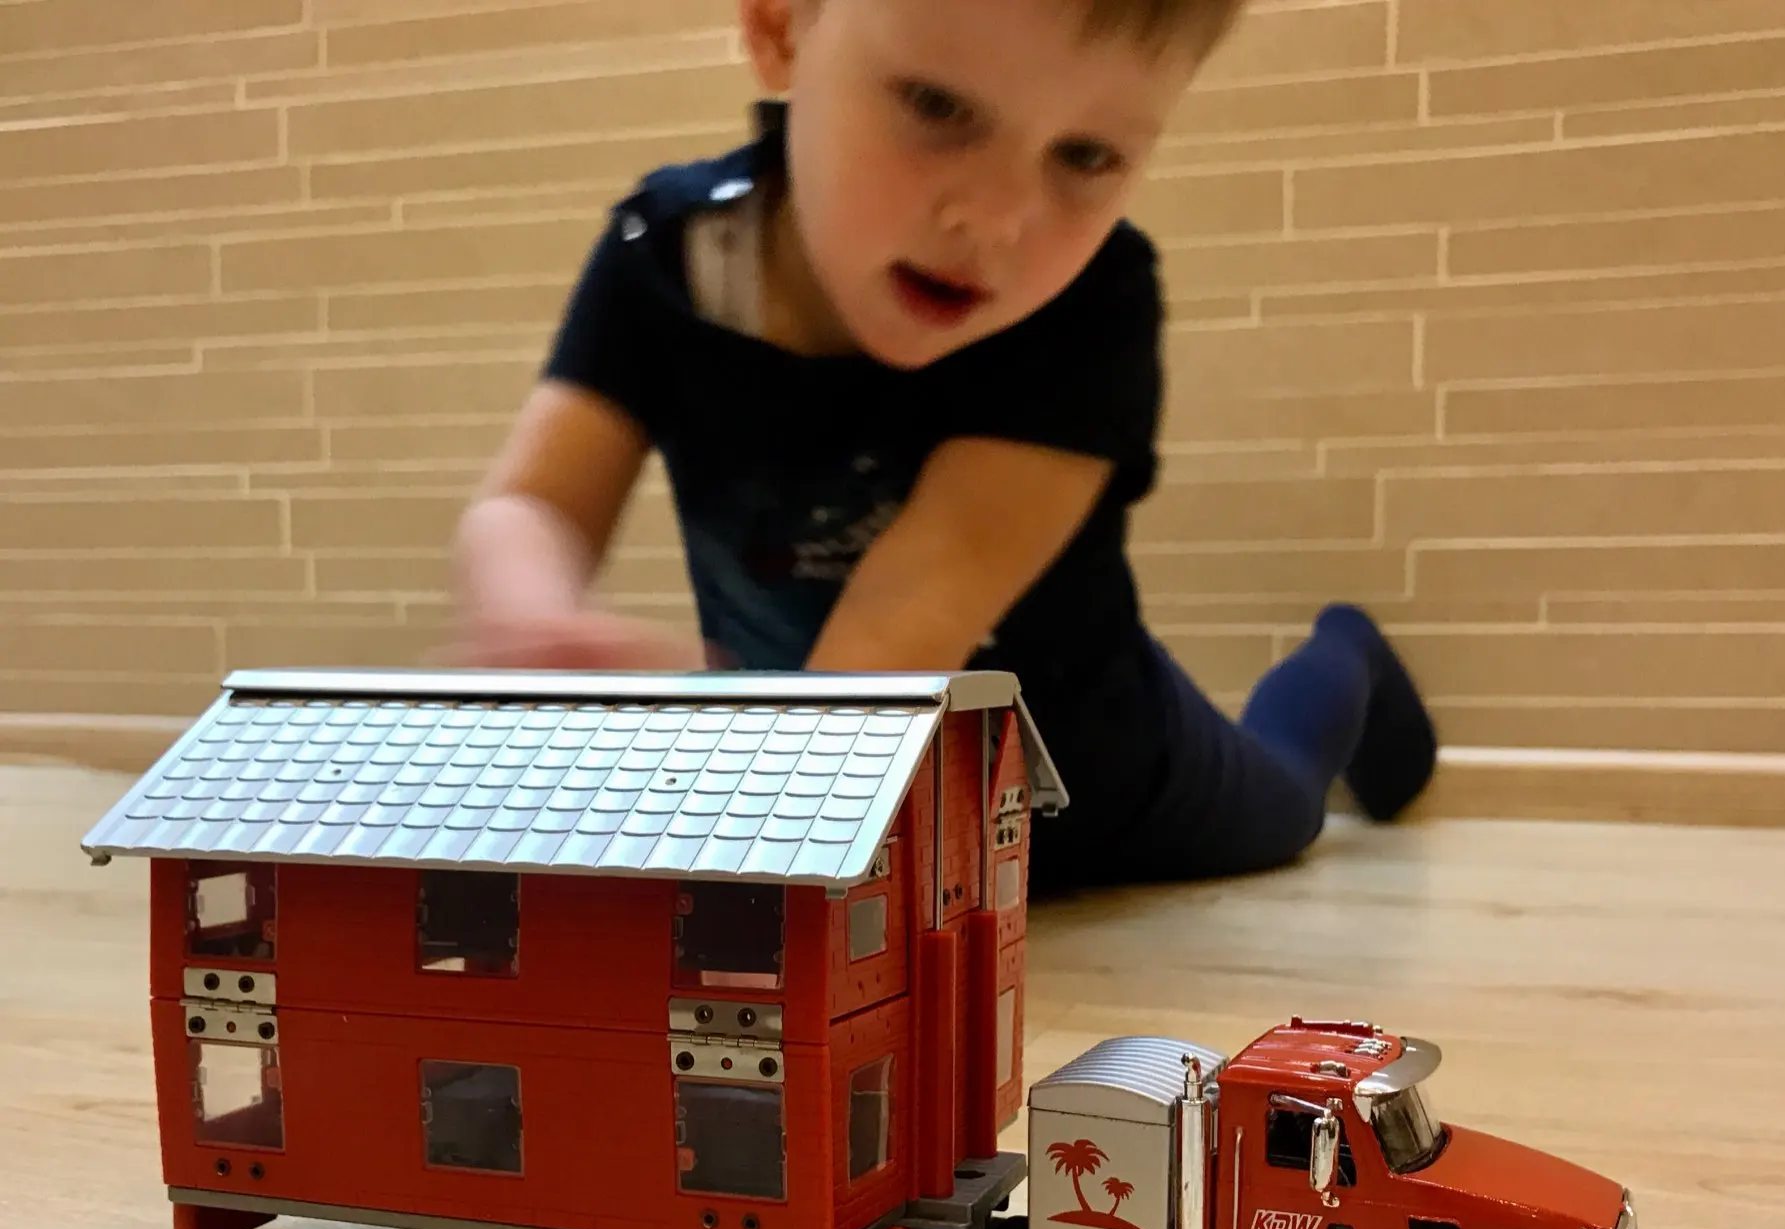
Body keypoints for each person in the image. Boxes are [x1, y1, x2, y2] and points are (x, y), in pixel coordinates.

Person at [445, 0, 1437, 894]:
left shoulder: (1090, 310)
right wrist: (530, 614)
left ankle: (1347, 649)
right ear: (781, 26)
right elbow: (533, 502)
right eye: (935, 106)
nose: (993, 221)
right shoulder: (667, 260)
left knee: (1290, 794)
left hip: (1106, 789)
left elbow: (901, 620)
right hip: (862, 820)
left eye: (1086, 157)